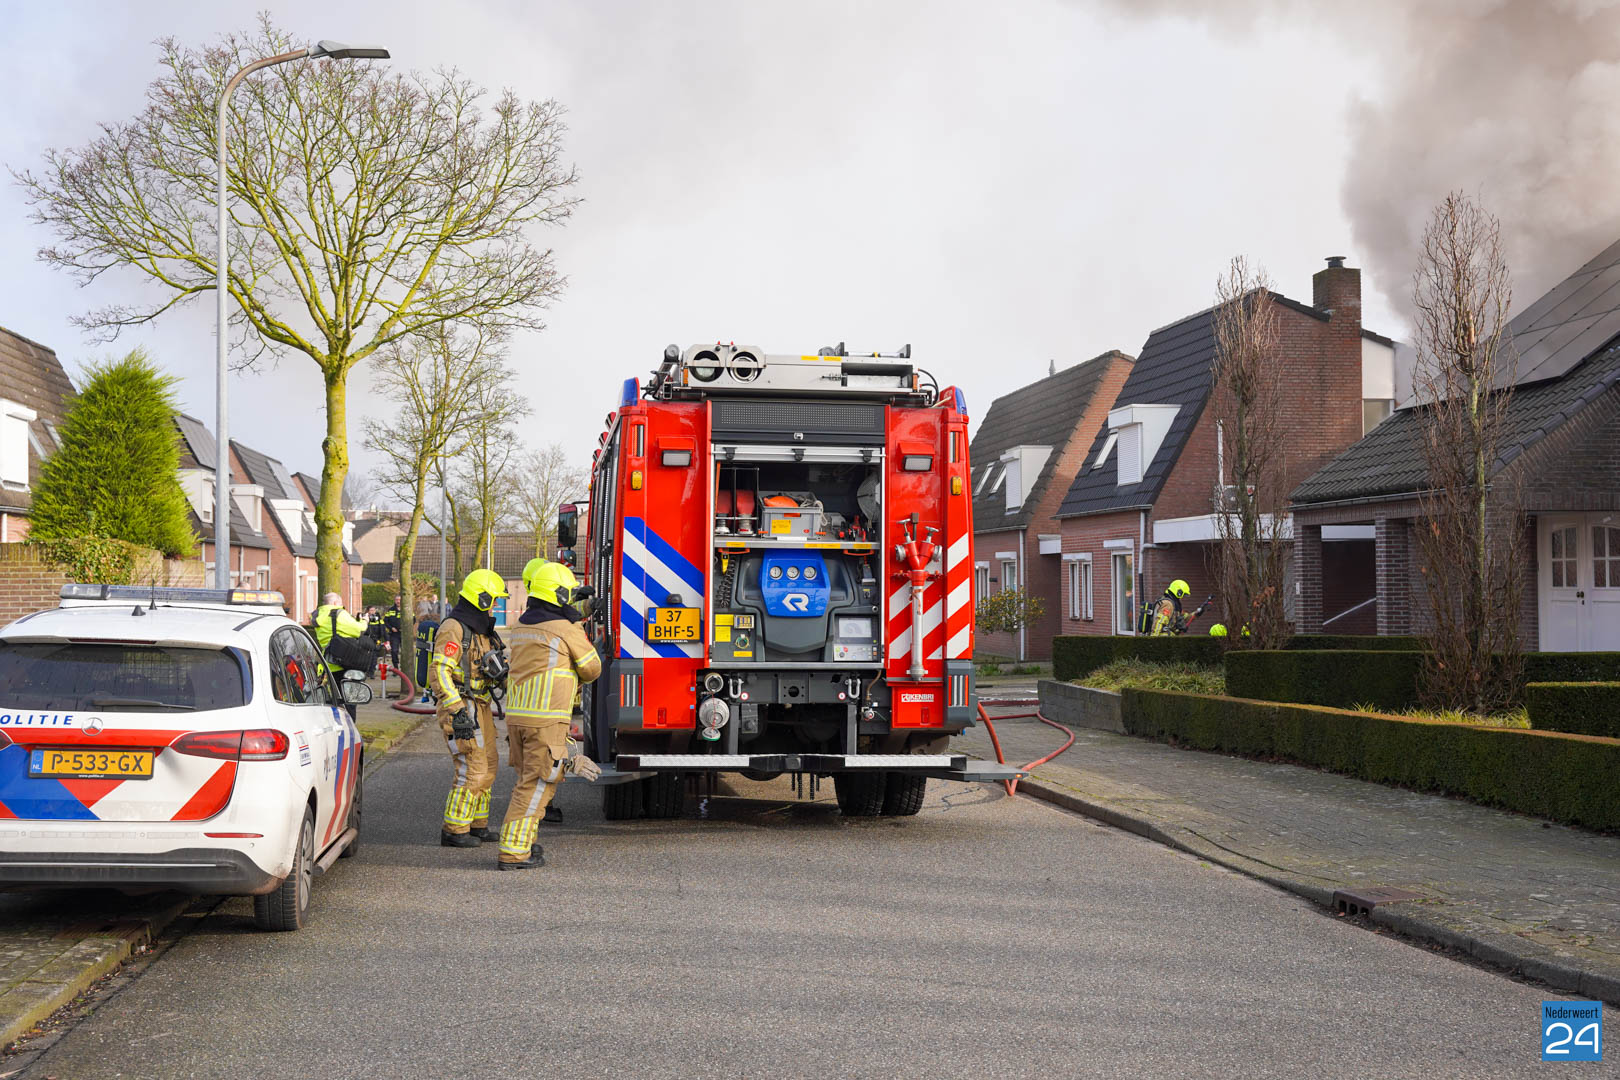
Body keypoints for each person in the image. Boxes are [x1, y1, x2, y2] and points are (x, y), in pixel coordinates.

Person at [495, 559, 601, 870]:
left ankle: (523, 843)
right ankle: (514, 851)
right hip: (546, 719)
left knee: (526, 781)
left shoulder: (523, 625)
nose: (571, 601)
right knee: (538, 786)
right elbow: (592, 668)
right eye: (568, 595)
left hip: (518, 719)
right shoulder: (565, 629)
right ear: (557, 595)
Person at [430, 569, 508, 848]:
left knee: (489, 765)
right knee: (472, 767)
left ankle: (477, 824)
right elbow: (439, 671)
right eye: (493, 600)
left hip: (481, 704)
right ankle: (454, 829)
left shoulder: (482, 629)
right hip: (462, 707)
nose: (496, 606)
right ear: (482, 598)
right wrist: (457, 711)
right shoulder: (454, 627)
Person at [312, 592, 369, 719]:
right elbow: (359, 630)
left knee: (334, 699)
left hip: (329, 663)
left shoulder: (317, 615)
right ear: (335, 603)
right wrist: (365, 620)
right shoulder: (339, 614)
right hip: (346, 662)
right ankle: (349, 728)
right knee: (349, 700)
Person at [415, 602, 440, 703]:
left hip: (422, 676)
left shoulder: (422, 629)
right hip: (430, 676)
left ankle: (426, 694)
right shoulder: (433, 629)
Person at [383, 600, 402, 667]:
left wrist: (406, 628)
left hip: (404, 634)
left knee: (406, 652)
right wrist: (391, 628)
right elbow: (385, 621)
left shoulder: (406, 609)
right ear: (394, 601)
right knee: (394, 651)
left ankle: (405, 668)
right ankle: (396, 667)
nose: (398, 601)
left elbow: (413, 619)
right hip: (394, 634)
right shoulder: (390, 610)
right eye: (397, 600)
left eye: (399, 600)